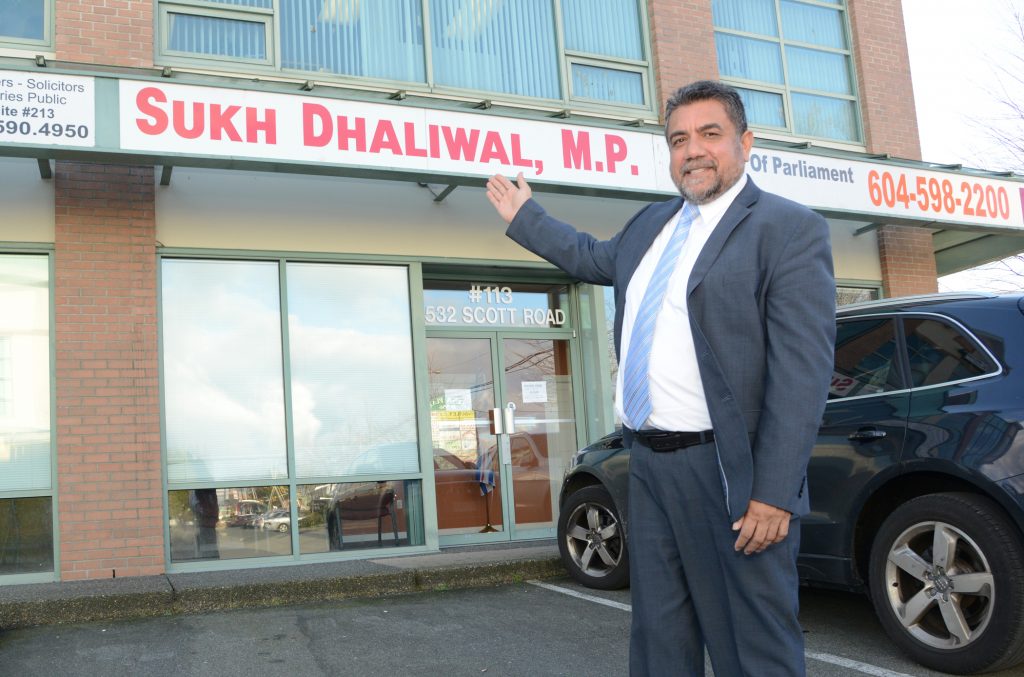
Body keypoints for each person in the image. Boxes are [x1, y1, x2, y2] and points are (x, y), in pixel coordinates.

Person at [485, 80, 835, 676]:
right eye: (678, 139)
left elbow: (802, 373)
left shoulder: (787, 228)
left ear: (745, 143)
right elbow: (593, 257)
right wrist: (527, 217)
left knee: (752, 645)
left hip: (728, 474)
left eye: (709, 134)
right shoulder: (653, 223)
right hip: (646, 465)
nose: (692, 150)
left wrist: (774, 492)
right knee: (659, 636)